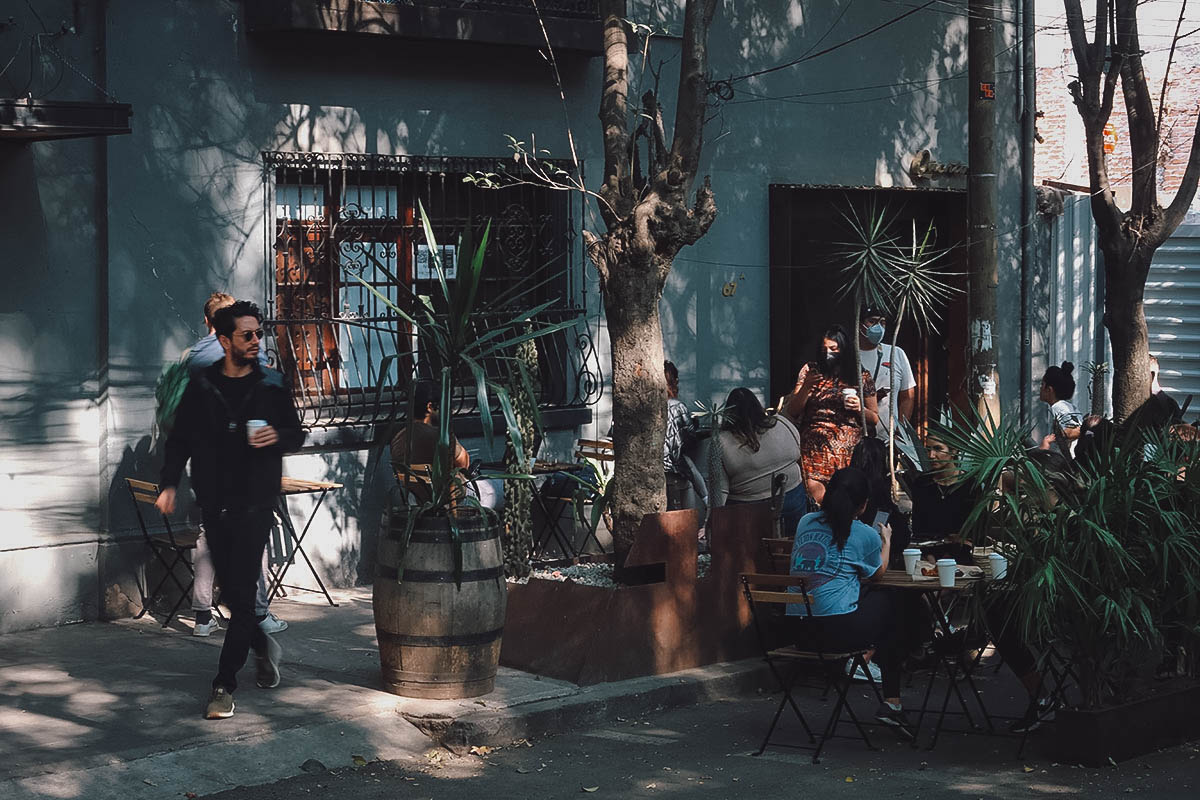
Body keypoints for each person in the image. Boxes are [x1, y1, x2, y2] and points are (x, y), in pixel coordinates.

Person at [157, 301, 305, 720]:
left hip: (256, 502)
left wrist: (276, 435)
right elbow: (179, 441)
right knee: (239, 596)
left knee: (240, 598)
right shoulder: (202, 386)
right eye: (247, 335)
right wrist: (169, 482)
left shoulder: (273, 384)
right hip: (214, 502)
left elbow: (297, 435)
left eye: (259, 333)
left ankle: (223, 684)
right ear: (224, 340)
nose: (257, 341)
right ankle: (263, 646)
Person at [185, 292, 287, 638]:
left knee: (209, 538)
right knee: (250, 538)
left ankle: (202, 614)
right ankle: (256, 612)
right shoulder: (233, 364)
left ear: (205, 322)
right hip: (240, 469)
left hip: (208, 470)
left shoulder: (194, 357)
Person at [787, 467, 913, 736]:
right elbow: (878, 574)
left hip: (799, 630)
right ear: (864, 505)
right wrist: (886, 541)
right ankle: (892, 701)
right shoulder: (864, 534)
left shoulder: (805, 522)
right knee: (894, 606)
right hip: (834, 633)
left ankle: (887, 693)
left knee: (880, 607)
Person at [783, 324, 878, 506]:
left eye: (833, 349)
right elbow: (792, 411)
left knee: (843, 497)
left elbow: (874, 418)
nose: (828, 354)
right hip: (814, 443)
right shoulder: (810, 371)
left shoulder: (860, 376)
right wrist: (806, 387)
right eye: (824, 349)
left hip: (847, 445)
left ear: (844, 349)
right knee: (815, 497)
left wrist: (859, 408)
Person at [713, 388, 807, 536]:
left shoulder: (720, 442)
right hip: (793, 499)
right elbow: (798, 453)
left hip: (748, 510)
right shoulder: (782, 422)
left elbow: (720, 492)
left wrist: (712, 523)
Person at [390, 379, 470, 500]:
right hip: (449, 499)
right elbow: (463, 464)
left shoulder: (399, 437)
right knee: (499, 487)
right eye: (445, 406)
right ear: (430, 407)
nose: (450, 411)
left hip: (417, 500)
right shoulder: (440, 437)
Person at [857, 305, 916, 439]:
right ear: (860, 325)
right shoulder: (849, 354)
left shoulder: (896, 353)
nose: (878, 327)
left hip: (887, 439)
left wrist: (900, 432)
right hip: (853, 439)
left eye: (882, 323)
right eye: (872, 321)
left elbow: (907, 396)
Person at [663, 360, 696, 511]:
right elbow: (690, 437)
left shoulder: (646, 406)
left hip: (656, 468)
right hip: (674, 468)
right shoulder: (678, 407)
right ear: (674, 381)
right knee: (690, 478)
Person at [1038, 362, 1082, 458]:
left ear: (1049, 389)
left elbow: (1076, 431)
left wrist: (1051, 439)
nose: (1040, 388)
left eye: (1042, 384)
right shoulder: (1070, 407)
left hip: (1066, 464)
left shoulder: (1059, 407)